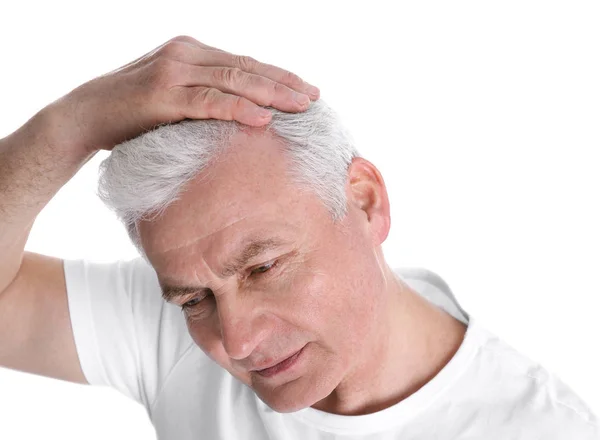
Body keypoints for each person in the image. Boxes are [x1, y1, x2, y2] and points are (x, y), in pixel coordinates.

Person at [0, 35, 597, 439]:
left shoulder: (537, 428)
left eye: (263, 267)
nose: (235, 341)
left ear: (366, 202)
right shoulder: (171, 326)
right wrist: (66, 129)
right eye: (191, 300)